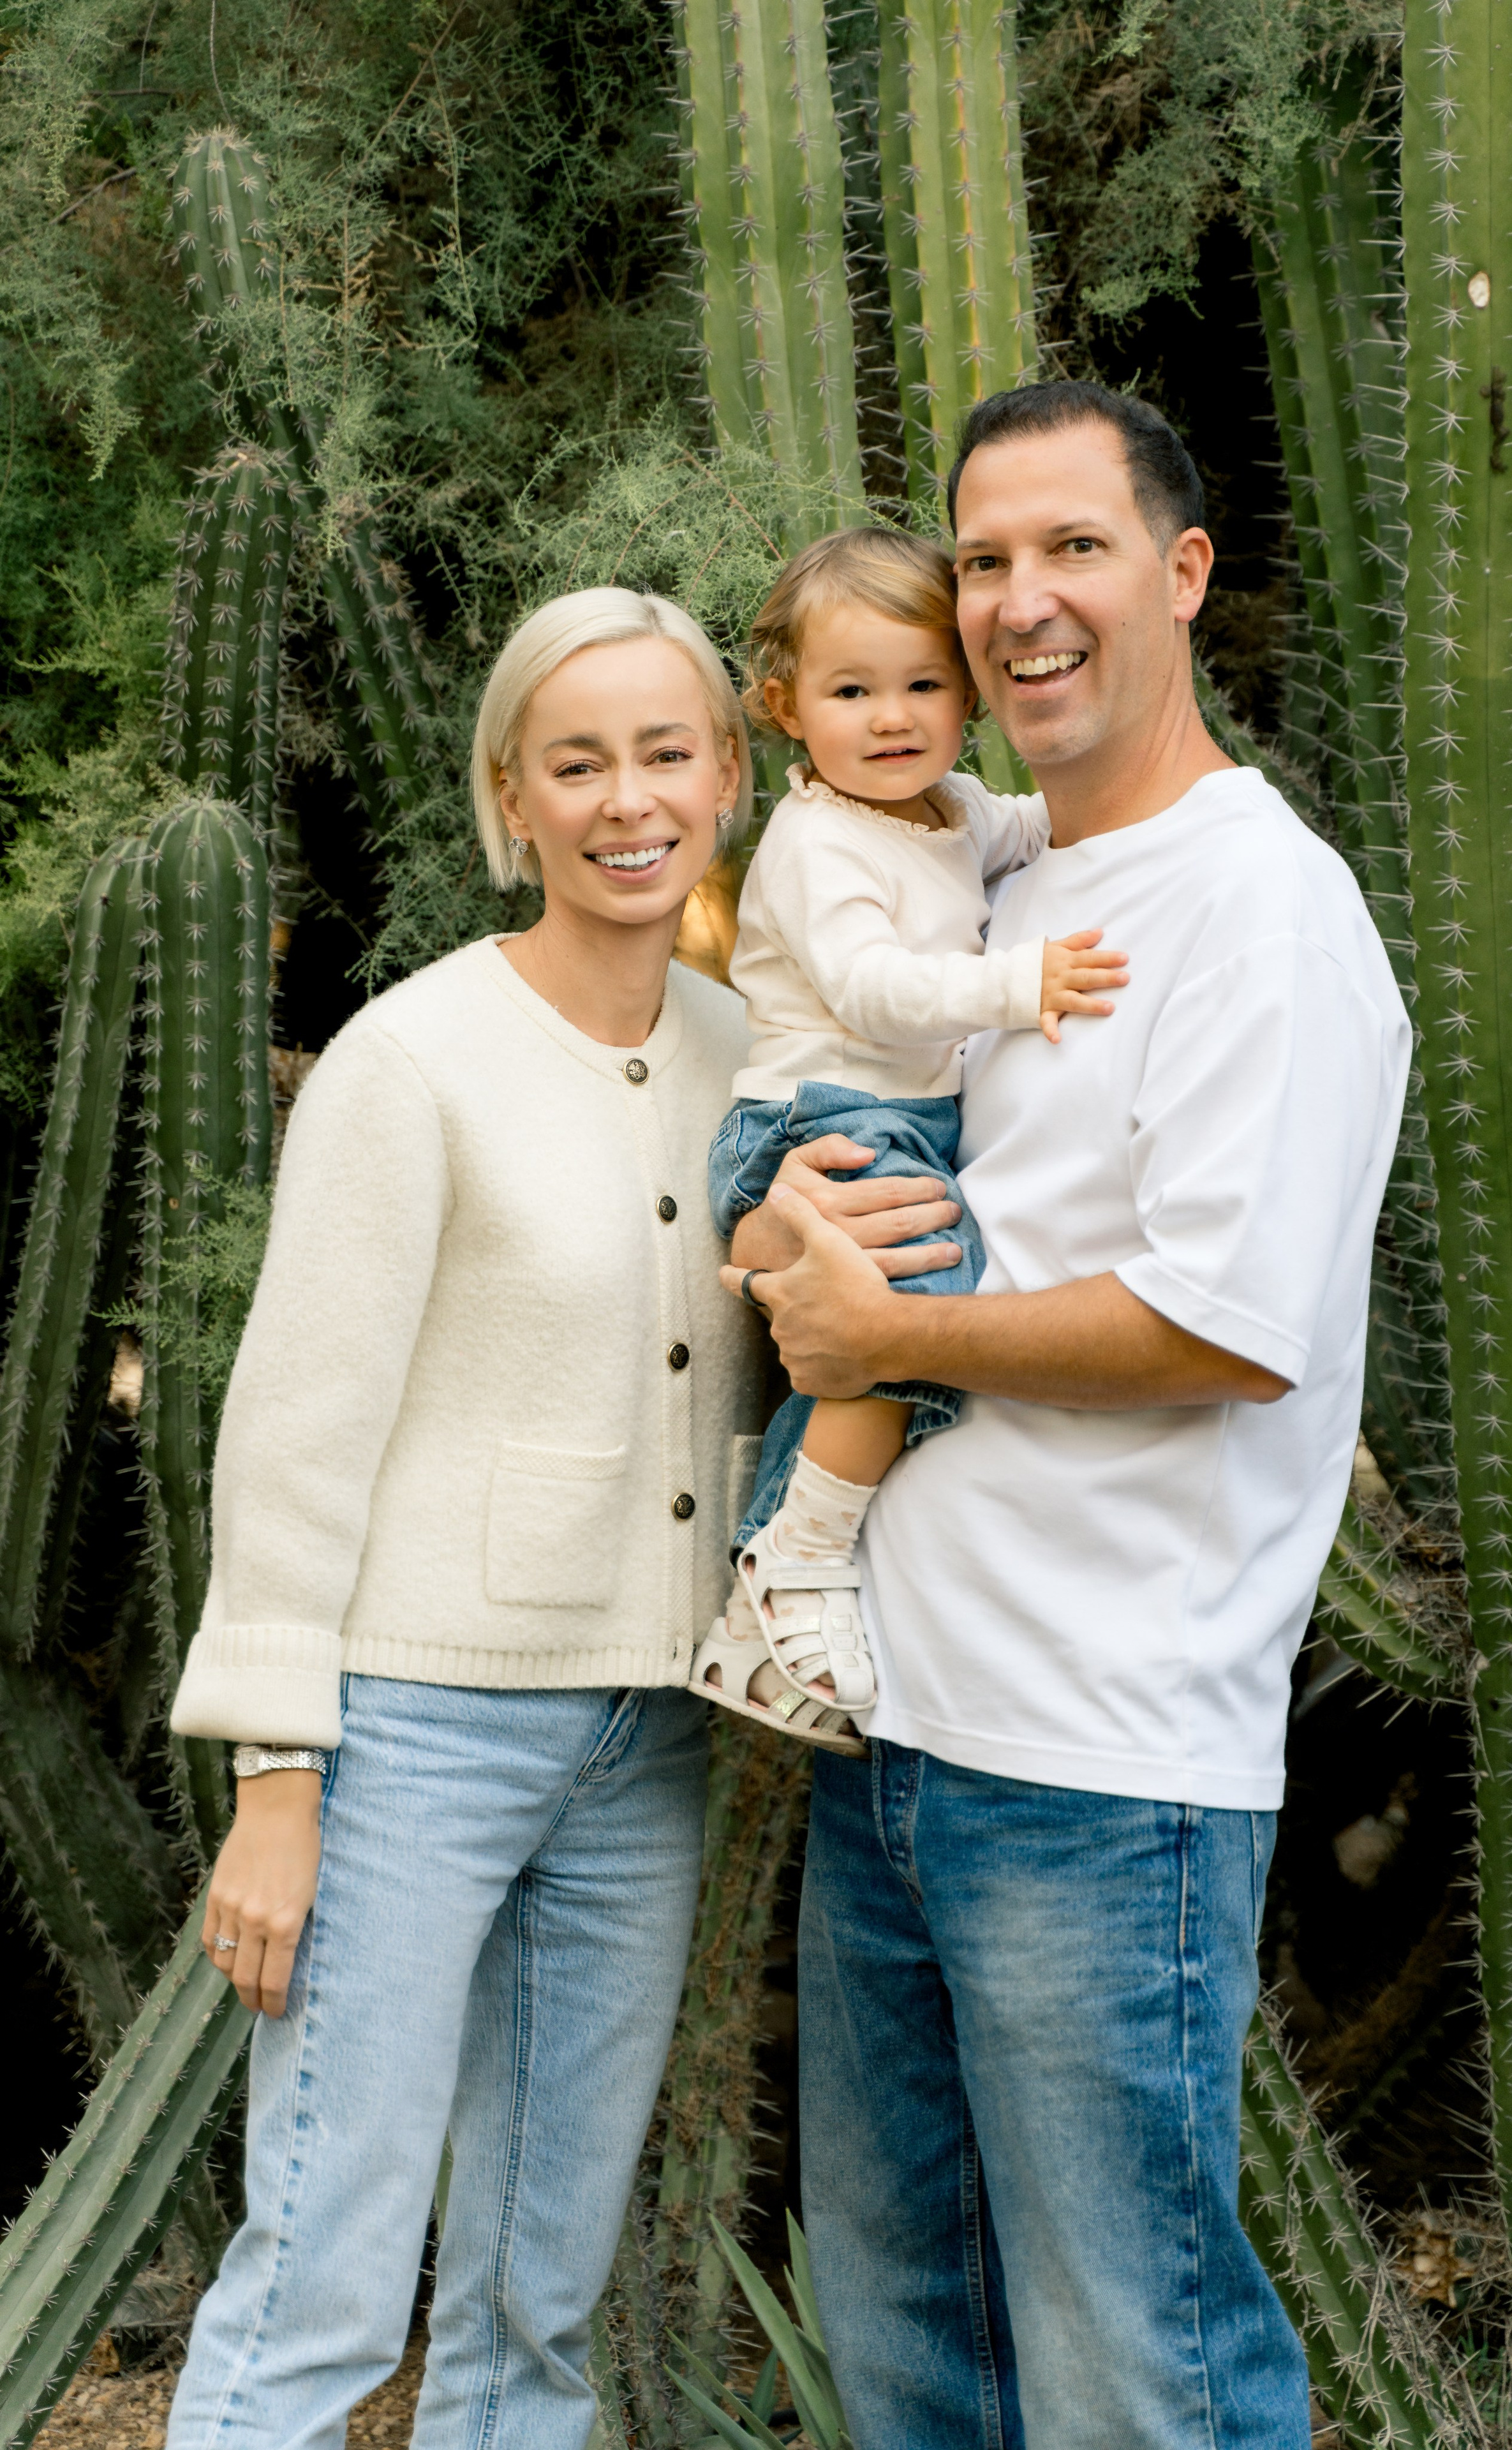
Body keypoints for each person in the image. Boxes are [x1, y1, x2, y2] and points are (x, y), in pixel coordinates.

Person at [725, 381, 1412, 2449]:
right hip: (896, 1731)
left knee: (1137, 2378)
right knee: (911, 2355)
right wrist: (781, 1227)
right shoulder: (983, 872)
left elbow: (1227, 1324)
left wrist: (887, 1337)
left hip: (1099, 1767)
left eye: (1075, 548)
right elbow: (848, 1140)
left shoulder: (1260, 908)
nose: (1021, 599)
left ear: (1183, 573)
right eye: (986, 559)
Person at [164, 587, 764, 2450]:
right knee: (321, 2282)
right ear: (512, 797)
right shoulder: (410, 1058)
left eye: (664, 754)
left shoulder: (754, 1052)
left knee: (535, 2303)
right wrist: (280, 1773)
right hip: (412, 1736)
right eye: (576, 764)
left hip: (649, 1738)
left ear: (728, 778)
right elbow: (295, 1429)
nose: (626, 801)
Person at [693, 526, 1126, 1749]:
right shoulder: (819, 843)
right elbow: (874, 990)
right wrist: (1017, 984)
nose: (892, 717)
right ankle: (801, 1554)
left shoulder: (954, 811)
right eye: (851, 692)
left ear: (970, 691)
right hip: (816, 1119)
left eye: (924, 683)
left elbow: (1048, 829)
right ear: (786, 707)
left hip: (905, 1119)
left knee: (898, 1331)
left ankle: (759, 1613)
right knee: (912, 1308)